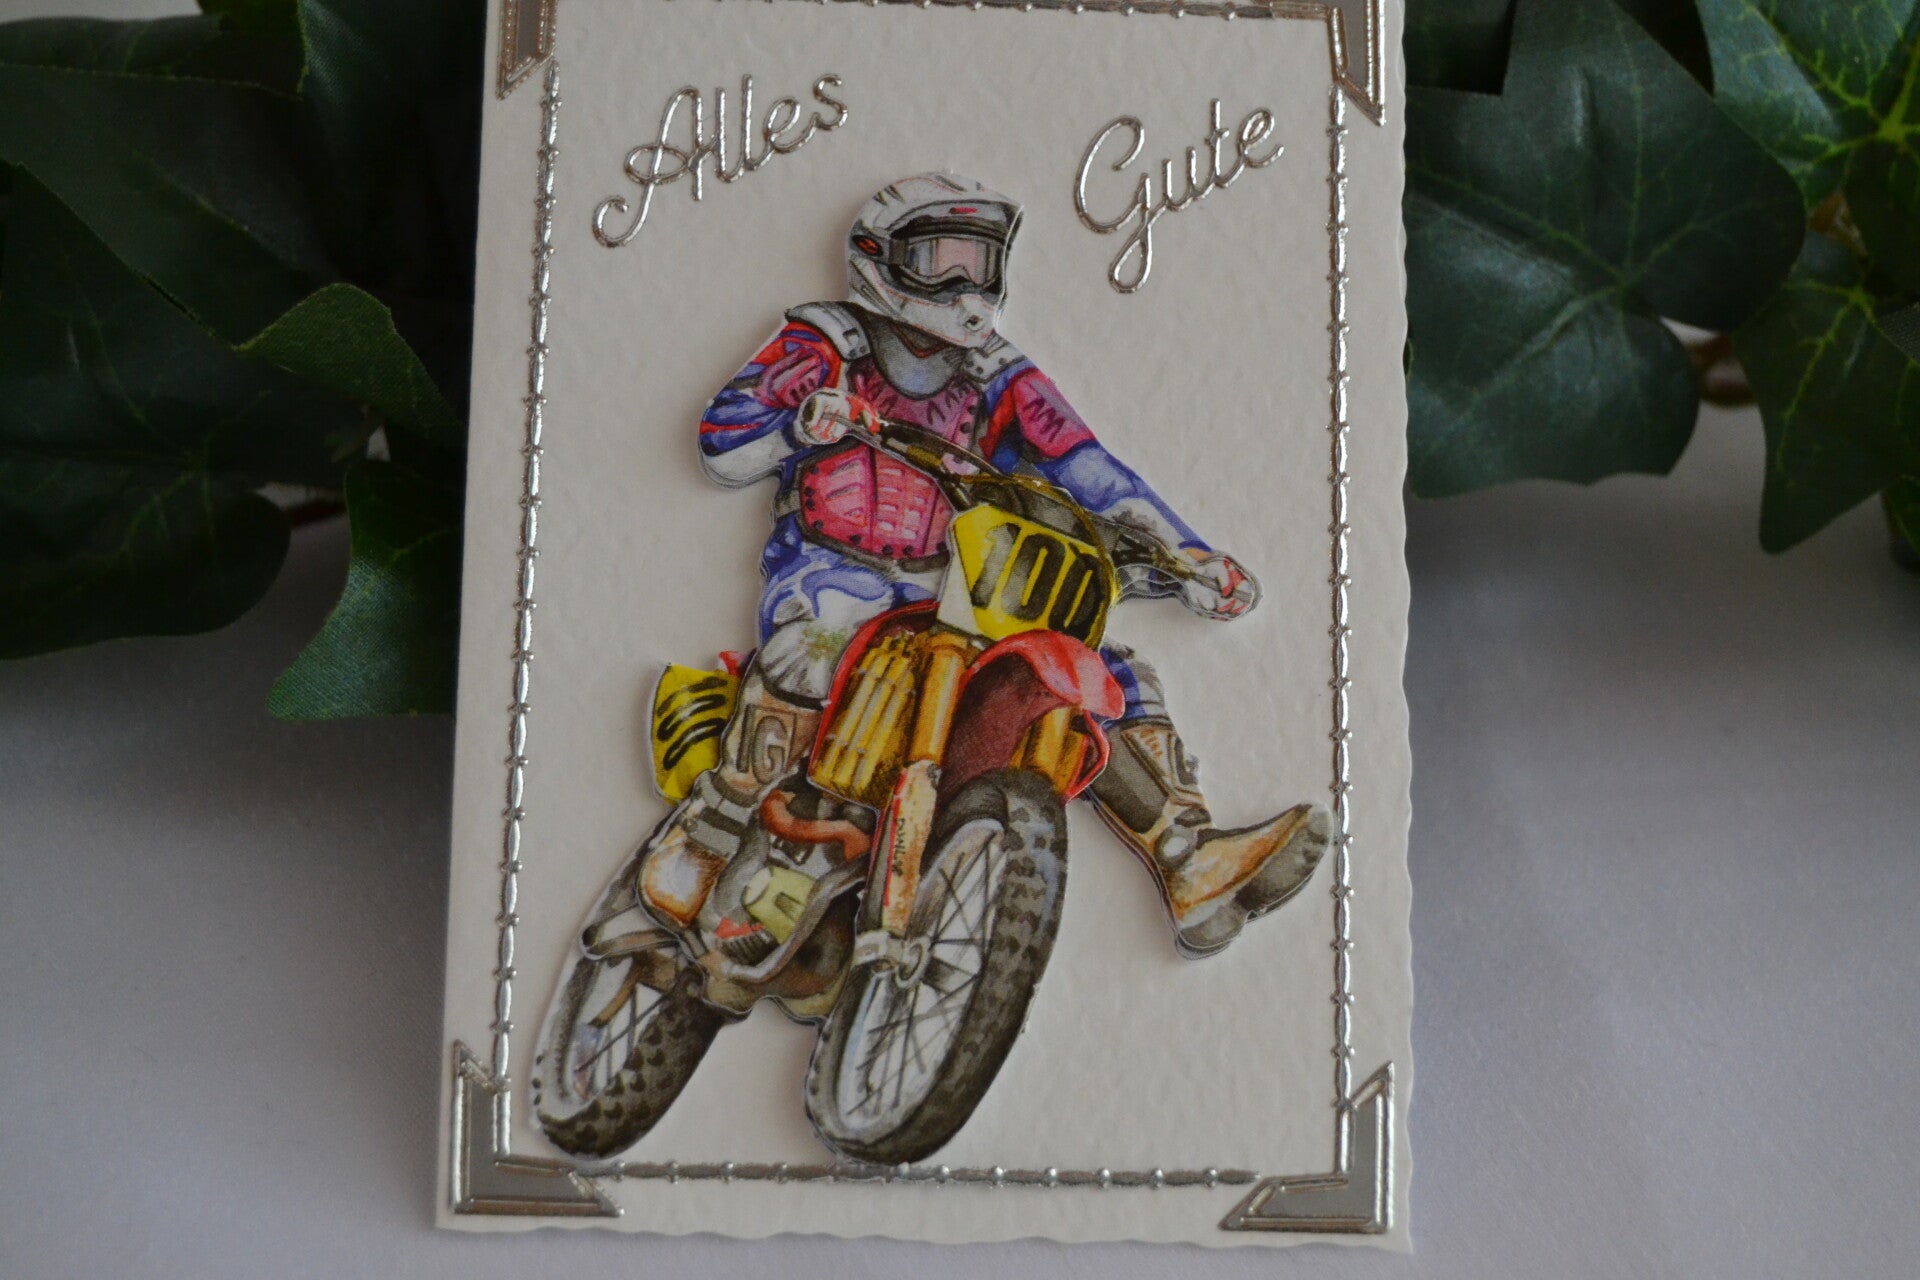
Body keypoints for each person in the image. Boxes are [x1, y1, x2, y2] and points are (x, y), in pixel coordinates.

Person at [641, 173, 1327, 959]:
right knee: (814, 648)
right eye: (938, 261)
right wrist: (803, 425)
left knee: (1109, 670)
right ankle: (716, 820)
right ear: (878, 258)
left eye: (981, 262)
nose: (965, 287)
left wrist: (1188, 554)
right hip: (833, 568)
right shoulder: (825, 343)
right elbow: (722, 445)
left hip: (960, 583)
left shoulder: (996, 369)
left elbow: (1088, 466)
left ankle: (1188, 857)